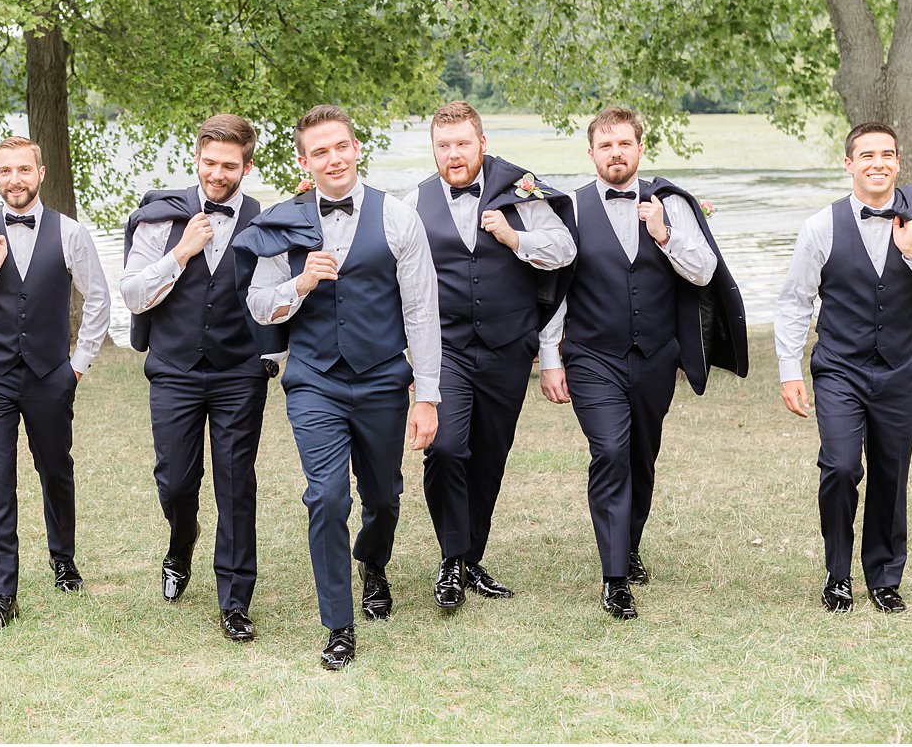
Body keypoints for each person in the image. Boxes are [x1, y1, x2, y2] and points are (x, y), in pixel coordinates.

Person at [232, 104, 440, 670]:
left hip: (382, 379)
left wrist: (427, 394)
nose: (332, 159)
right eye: (318, 152)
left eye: (339, 146)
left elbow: (421, 311)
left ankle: (374, 564)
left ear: (355, 149)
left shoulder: (398, 217)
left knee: (385, 496)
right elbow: (257, 302)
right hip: (314, 381)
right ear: (304, 161)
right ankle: (338, 625)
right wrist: (299, 283)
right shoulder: (283, 222)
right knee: (326, 496)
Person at [539, 106, 746, 620]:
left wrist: (664, 234)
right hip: (591, 356)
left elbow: (704, 273)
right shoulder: (570, 209)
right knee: (609, 450)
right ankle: (614, 579)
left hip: (656, 357)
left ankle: (628, 546)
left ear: (639, 149)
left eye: (624, 144)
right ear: (591, 154)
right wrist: (550, 358)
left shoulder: (670, 205)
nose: (615, 153)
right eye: (605, 146)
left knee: (641, 458)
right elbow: (555, 292)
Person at [774, 122, 912, 614]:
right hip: (839, 368)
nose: (877, 163)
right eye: (866, 155)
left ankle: (884, 578)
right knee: (840, 468)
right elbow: (796, 301)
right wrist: (789, 370)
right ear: (849, 164)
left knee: (890, 473)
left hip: (900, 370)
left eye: (886, 154)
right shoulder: (822, 225)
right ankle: (837, 575)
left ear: (898, 163)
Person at [0, 136, 111, 632]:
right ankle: (2, 594)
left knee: (56, 469)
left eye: (24, 170)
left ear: (41, 172)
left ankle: (63, 558)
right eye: (6, 171)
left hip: (51, 374)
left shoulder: (71, 233)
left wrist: (78, 364)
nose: (15, 180)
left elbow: (97, 299)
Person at [403, 101, 575, 608]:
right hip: (447, 348)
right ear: (433, 149)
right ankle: (451, 559)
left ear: (482, 144)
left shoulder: (521, 192)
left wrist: (513, 236)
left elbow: (565, 249)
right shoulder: (413, 202)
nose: (453, 155)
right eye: (443, 146)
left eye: (462, 144)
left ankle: (469, 560)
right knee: (446, 447)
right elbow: (399, 279)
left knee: (490, 458)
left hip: (507, 347)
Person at [120, 114, 281, 642]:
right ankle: (180, 541)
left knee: (236, 485)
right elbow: (133, 294)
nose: (218, 173)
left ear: (247, 166)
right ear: (197, 159)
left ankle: (235, 600)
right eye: (209, 162)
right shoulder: (159, 220)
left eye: (229, 165)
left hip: (239, 372)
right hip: (174, 371)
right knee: (175, 481)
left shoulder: (265, 221)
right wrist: (181, 252)